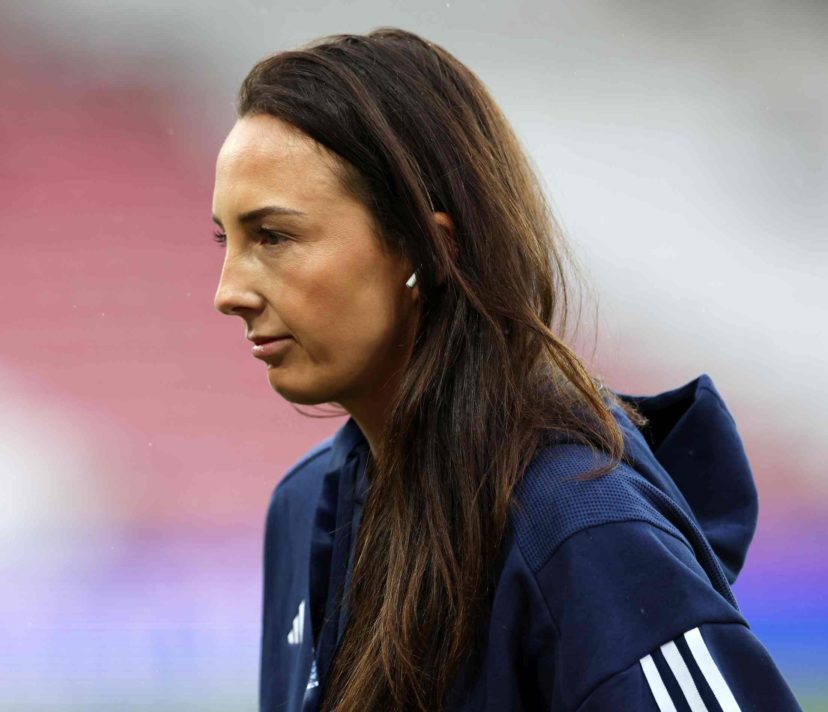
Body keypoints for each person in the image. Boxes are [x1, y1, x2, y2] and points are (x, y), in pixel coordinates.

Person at [210, 27, 801, 712]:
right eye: (227, 240)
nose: (229, 292)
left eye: (274, 237)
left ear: (430, 249)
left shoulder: (578, 522)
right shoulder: (305, 504)